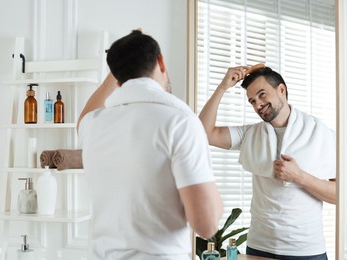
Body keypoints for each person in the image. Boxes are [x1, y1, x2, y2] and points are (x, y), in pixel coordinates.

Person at [77, 30, 223, 260]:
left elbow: (85, 115)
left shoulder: (94, 125)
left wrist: (119, 67)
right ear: (161, 62)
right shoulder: (180, 122)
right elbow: (206, 225)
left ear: (116, 79)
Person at [198, 66, 336, 259]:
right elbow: (203, 133)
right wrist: (222, 88)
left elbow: (339, 195)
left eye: (262, 95)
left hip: (305, 249)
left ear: (282, 90)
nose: (258, 105)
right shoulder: (250, 134)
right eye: (252, 101)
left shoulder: (322, 134)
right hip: (259, 246)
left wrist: (299, 177)